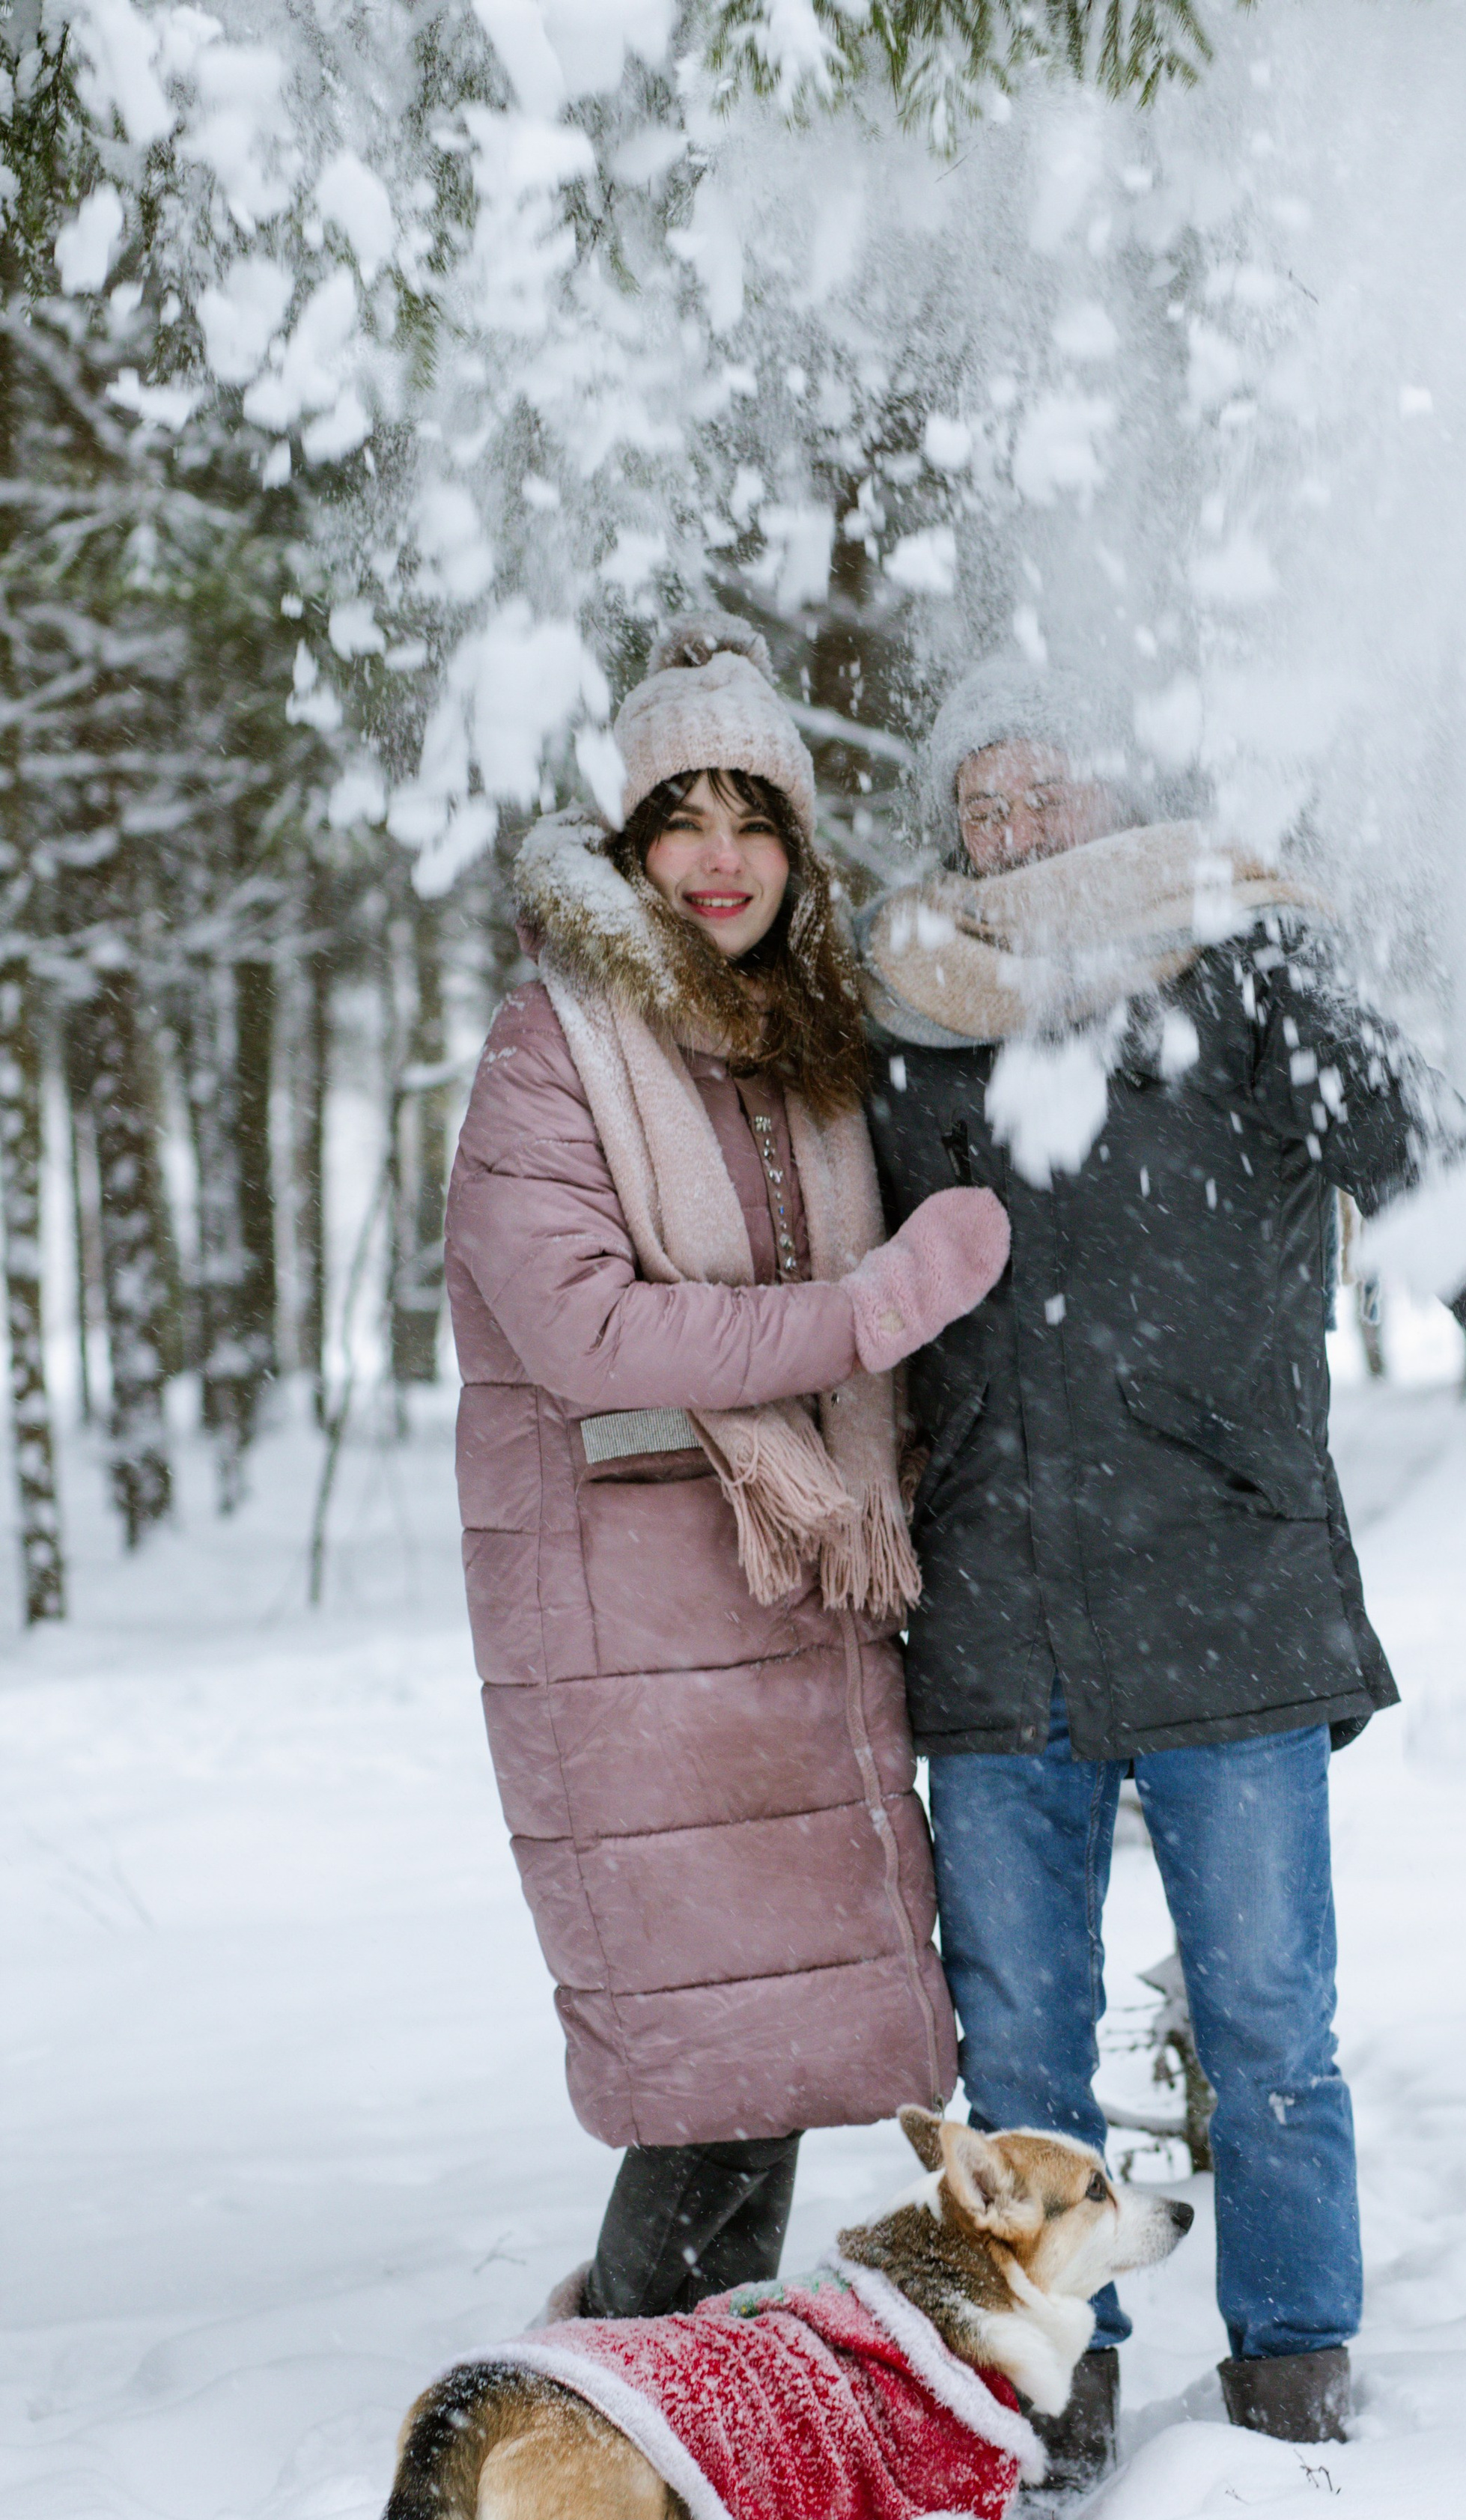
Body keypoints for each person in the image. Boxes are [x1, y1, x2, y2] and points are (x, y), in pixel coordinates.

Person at [861, 658, 1466, 2470]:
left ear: (1113, 801)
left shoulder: (1236, 962)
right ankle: (1049, 2388)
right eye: (977, 806)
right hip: (996, 1612)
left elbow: (1425, 1161)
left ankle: (1291, 2374)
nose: (1012, 833)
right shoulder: (913, 1005)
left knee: (1264, 2026)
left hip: (1220, 1582)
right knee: (1016, 2056)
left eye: (1042, 794)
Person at [443, 618, 1008, 2323]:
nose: (718, 857)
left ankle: (674, 2440)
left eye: (751, 818)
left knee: (752, 2076)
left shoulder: (798, 1043)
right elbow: (591, 1336)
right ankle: (616, 2446)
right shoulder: (552, 1048)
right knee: (708, 2086)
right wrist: (870, 1311)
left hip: (782, 1621)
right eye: (679, 818)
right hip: (631, 1644)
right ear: (628, 848)